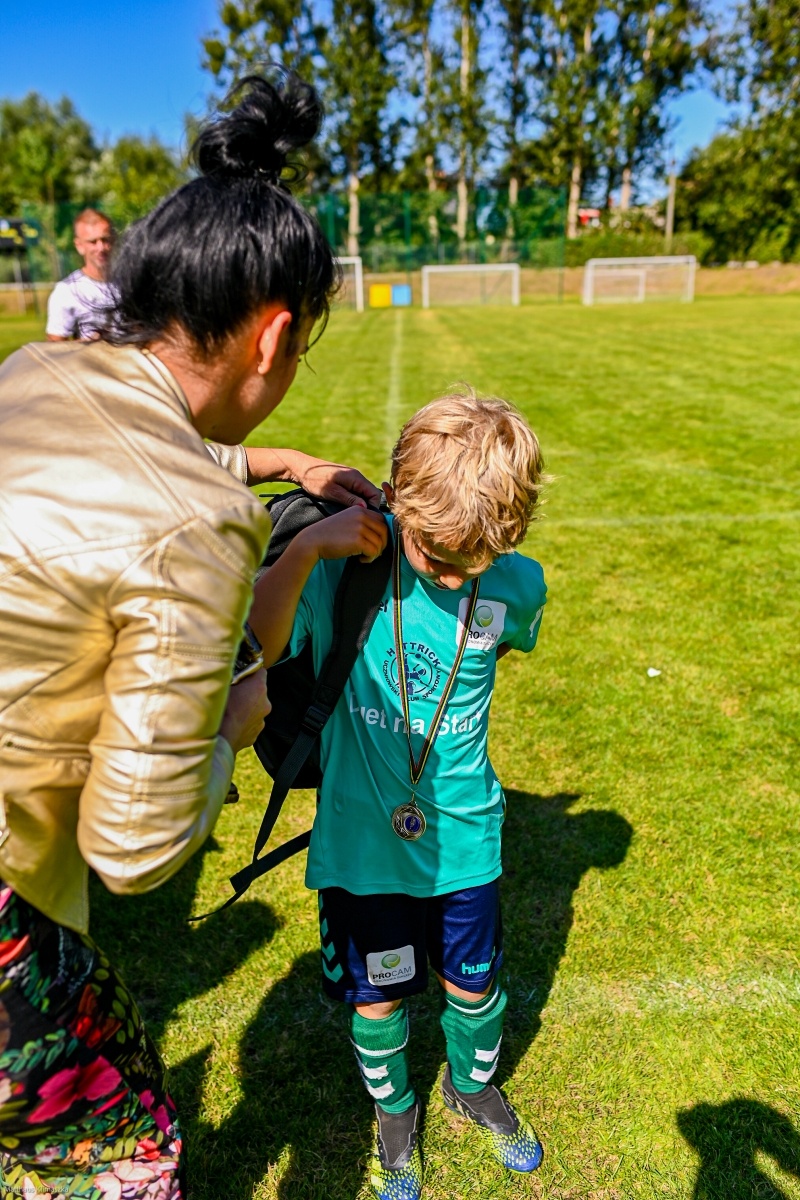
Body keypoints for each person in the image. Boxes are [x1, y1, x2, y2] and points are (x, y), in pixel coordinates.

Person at [0, 72, 367, 1199]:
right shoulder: (204, 527)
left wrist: (292, 490)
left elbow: (145, 449)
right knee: (126, 1150)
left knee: (106, 1027)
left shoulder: (36, 368)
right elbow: (140, 853)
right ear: (271, 337)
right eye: (303, 348)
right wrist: (236, 720)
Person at [249, 390, 549, 1200]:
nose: (455, 575)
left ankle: (472, 1084)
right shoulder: (344, 573)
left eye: (472, 563)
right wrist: (308, 550)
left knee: (474, 983)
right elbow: (261, 640)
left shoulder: (518, 588)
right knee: (377, 996)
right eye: (438, 555)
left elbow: (503, 624)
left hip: (466, 835)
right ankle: (394, 1115)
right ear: (399, 503)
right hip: (360, 841)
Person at [45, 207, 116, 341]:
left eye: (105, 240)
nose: (100, 248)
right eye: (93, 242)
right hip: (91, 361)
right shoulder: (67, 291)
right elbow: (55, 348)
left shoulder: (130, 283)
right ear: (79, 246)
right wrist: (88, 343)